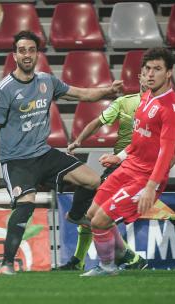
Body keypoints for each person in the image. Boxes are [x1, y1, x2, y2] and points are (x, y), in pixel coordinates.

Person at [0, 30, 123, 275]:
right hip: (16, 160)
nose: (27, 55)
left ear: (37, 54)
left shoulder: (47, 82)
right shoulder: (3, 90)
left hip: (44, 154)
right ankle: (6, 264)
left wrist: (108, 91)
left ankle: (76, 215)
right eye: (22, 50)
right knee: (26, 205)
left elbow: (82, 94)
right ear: (14, 55)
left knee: (92, 180)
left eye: (31, 50)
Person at [81, 47, 175, 276]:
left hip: (145, 178)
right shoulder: (147, 96)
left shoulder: (172, 107)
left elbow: (168, 151)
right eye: (147, 69)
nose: (150, 74)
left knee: (99, 221)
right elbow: (139, 140)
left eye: (157, 69)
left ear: (169, 73)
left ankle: (107, 267)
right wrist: (118, 157)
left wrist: (151, 186)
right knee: (92, 214)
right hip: (128, 167)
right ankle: (126, 257)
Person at [57, 70, 151, 271]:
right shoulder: (125, 103)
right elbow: (97, 122)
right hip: (119, 166)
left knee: (97, 213)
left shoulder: (160, 108)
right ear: (139, 78)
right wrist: (78, 141)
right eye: (144, 73)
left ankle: (130, 258)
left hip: (137, 167)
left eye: (154, 72)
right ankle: (79, 261)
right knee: (91, 209)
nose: (149, 77)